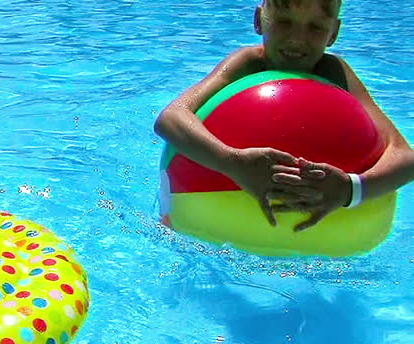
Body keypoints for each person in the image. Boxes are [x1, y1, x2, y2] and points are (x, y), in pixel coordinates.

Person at [154, 0, 413, 231]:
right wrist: (231, 162)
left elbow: (404, 156)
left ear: (333, 33)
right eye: (284, 22)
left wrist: (350, 189)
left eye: (315, 27)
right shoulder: (246, 64)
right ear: (259, 21)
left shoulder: (335, 73)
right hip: (209, 216)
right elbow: (172, 117)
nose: (297, 39)